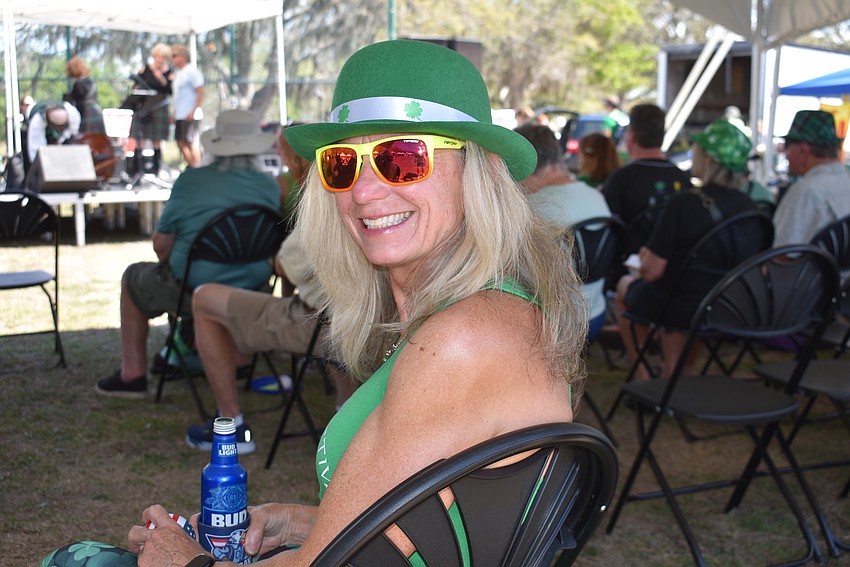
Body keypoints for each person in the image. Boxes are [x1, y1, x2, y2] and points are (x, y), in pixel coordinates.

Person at [45, 39, 586, 566]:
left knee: (71, 559)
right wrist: (299, 520)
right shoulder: (488, 316)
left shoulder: (463, 340)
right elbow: (435, 518)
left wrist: (186, 562)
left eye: (402, 158)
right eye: (342, 163)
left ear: (479, 171)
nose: (364, 191)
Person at [95, 110, 279, 398]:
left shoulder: (191, 181)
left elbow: (161, 246)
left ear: (216, 146)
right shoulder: (270, 185)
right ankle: (239, 359)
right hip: (253, 289)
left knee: (133, 277)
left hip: (192, 289)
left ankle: (132, 375)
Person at [185, 224, 359, 454]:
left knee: (204, 299)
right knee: (337, 307)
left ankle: (232, 427)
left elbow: (284, 264)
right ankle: (349, 417)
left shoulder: (328, 201)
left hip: (324, 327)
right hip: (367, 326)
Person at [614, 119, 761, 379]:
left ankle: (644, 373)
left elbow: (652, 272)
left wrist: (644, 262)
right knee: (687, 290)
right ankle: (684, 369)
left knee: (627, 285)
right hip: (730, 307)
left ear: (706, 159)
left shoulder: (685, 204)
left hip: (681, 306)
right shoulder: (752, 208)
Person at [516, 123, 612, 342]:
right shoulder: (595, 196)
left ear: (523, 162)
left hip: (554, 323)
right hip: (595, 313)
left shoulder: (534, 208)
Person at [602, 103, 691, 258]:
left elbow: (606, 234)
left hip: (628, 271)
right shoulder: (683, 179)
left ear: (632, 137)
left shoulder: (620, 180)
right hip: (678, 269)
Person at [773, 110, 850, 246]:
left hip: (810, 267)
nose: (786, 154)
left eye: (787, 146)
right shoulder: (846, 181)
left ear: (803, 150)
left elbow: (780, 255)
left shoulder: (805, 191)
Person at [130, 43, 173, 176]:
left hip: (159, 109)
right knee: (140, 140)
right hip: (144, 107)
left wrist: (161, 78)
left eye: (163, 58)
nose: (160, 60)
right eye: (158, 57)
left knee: (156, 141)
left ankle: (156, 171)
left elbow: (170, 91)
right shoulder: (145, 69)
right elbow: (136, 86)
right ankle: (137, 172)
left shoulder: (169, 73)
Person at [171, 44, 205, 169]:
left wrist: (193, 110)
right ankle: (191, 167)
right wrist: (174, 113)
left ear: (183, 56)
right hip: (180, 115)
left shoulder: (192, 72)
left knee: (192, 142)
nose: (172, 59)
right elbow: (178, 96)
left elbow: (200, 92)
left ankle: (198, 169)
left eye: (174, 56)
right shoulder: (179, 74)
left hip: (190, 115)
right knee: (180, 142)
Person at [24, 100, 81, 171]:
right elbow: (35, 154)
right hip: (38, 138)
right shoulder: (37, 122)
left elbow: (73, 129)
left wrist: (61, 140)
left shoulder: (71, 112)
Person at [276, 121, 309, 227]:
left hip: (291, 239)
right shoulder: (323, 173)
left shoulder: (282, 182)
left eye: (280, 148)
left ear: (289, 150)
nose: (278, 153)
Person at [65, 56, 105, 134]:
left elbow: (75, 103)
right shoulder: (91, 81)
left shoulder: (78, 84)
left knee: (85, 141)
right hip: (96, 112)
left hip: (86, 115)